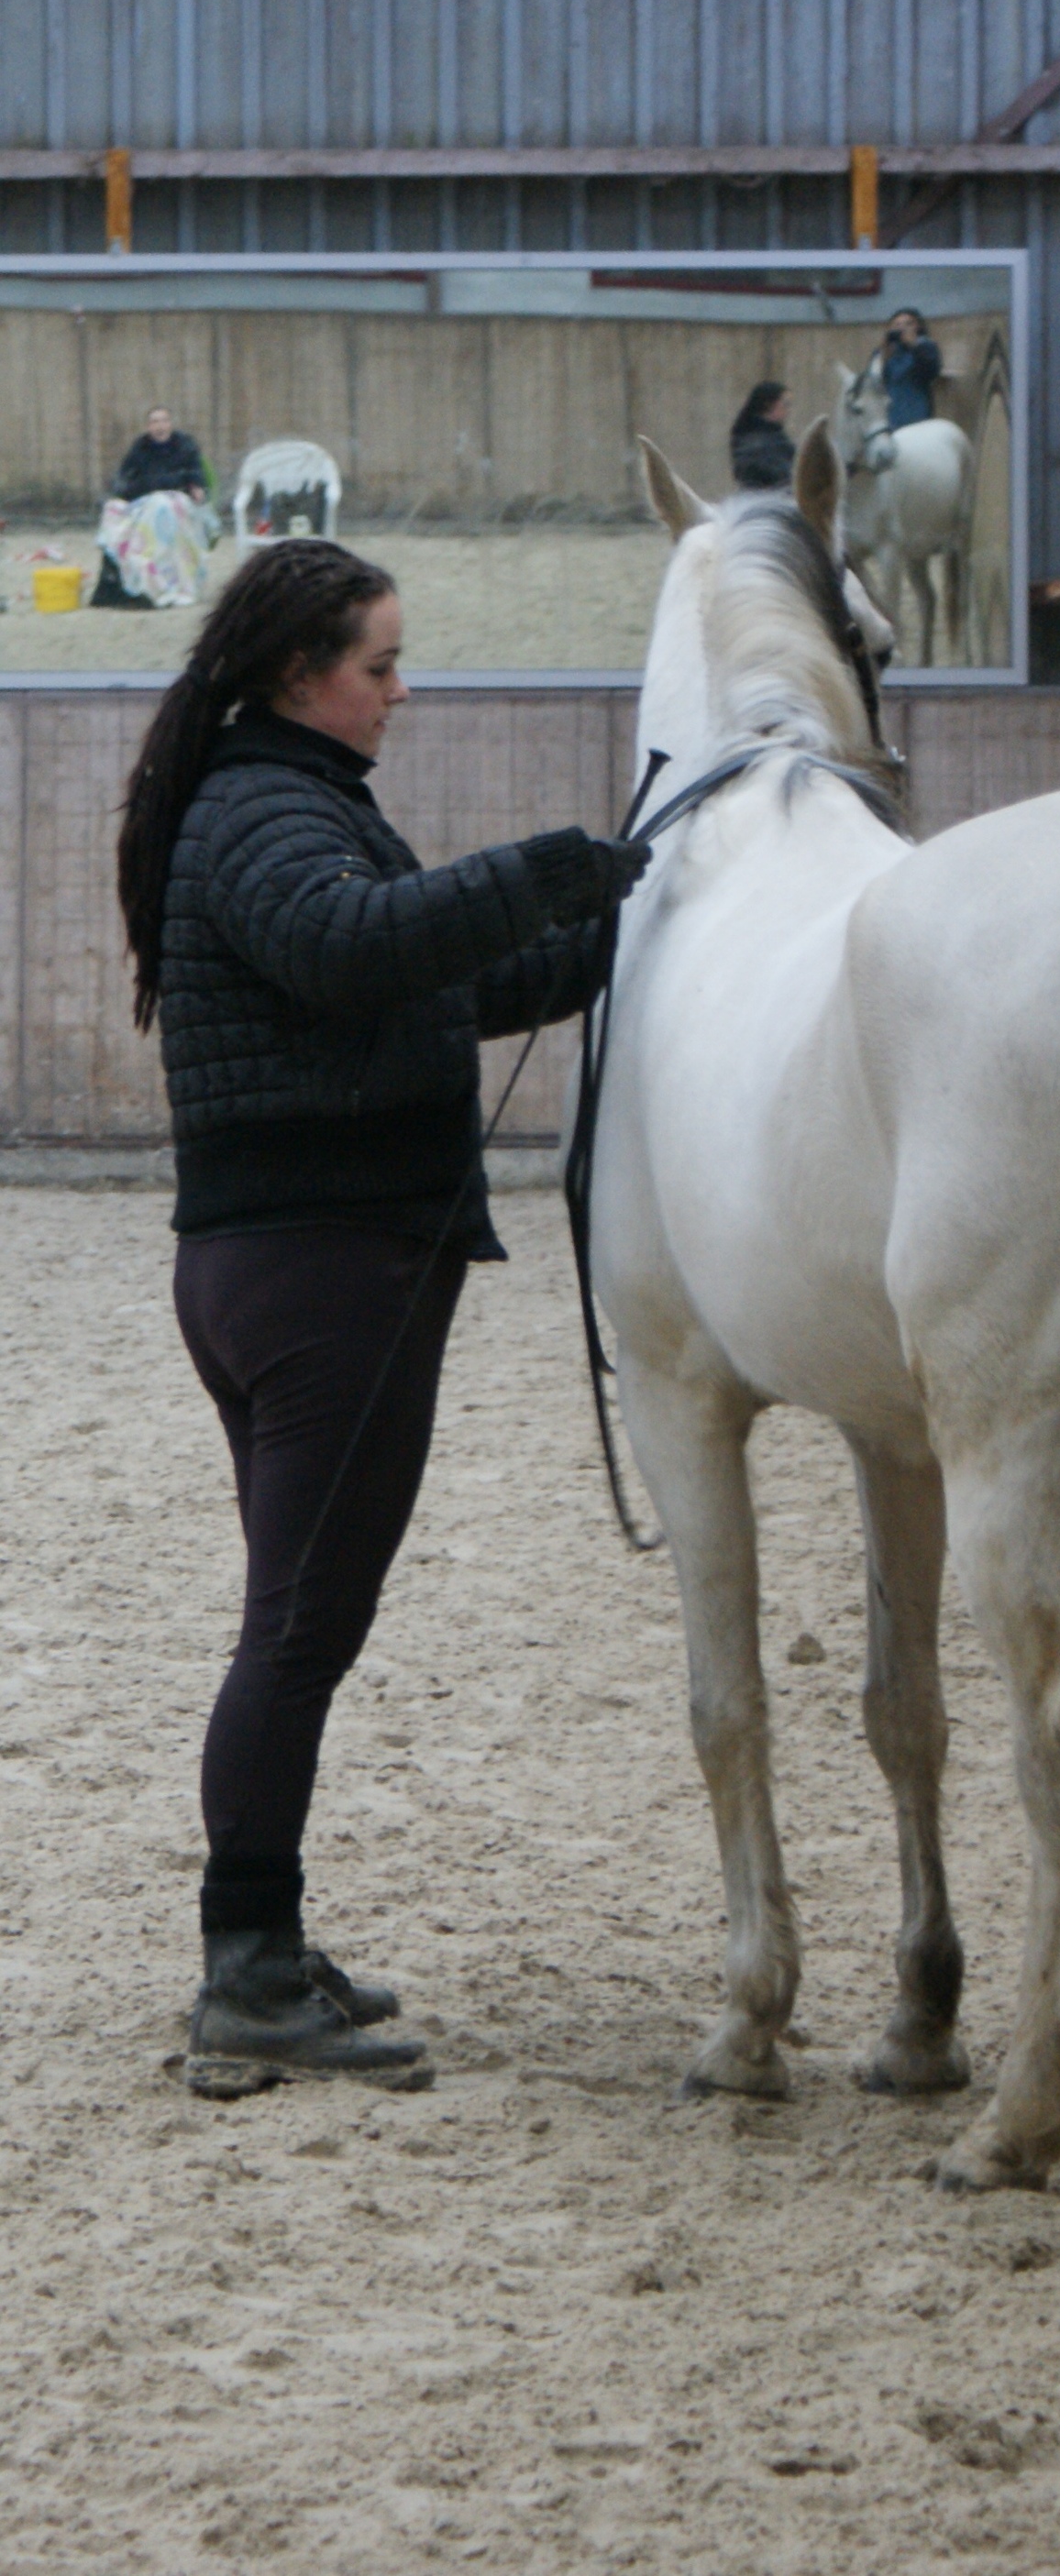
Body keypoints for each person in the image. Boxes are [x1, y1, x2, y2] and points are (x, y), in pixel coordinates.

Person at [115, 539, 651, 2076]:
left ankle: (266, 1940)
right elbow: (357, 953)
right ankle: (247, 1972)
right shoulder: (264, 806)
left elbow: (431, 982)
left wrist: (600, 938)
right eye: (380, 664)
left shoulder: (288, 796)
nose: (400, 690)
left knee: (294, 1621)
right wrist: (545, 869)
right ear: (301, 674)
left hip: (286, 1268)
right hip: (319, 1272)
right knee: (296, 1629)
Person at [94, 405, 217, 611]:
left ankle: (167, 582)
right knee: (113, 509)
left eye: (164, 420)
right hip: (145, 499)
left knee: (164, 506)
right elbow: (125, 480)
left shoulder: (185, 446)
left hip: (176, 500)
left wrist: (196, 487)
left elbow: (195, 475)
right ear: (148, 427)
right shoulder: (140, 448)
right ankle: (126, 580)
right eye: (155, 422)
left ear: (170, 424)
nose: (160, 426)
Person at [878, 310, 942, 430]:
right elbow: (875, 380)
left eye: (908, 324)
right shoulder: (886, 351)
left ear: (918, 327)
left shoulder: (926, 346)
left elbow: (931, 372)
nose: (902, 328)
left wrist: (914, 345)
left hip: (916, 412)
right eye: (897, 325)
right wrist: (884, 354)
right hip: (889, 414)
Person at [730, 380, 796, 490]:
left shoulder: (776, 436)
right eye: (785, 404)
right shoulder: (753, 440)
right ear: (769, 404)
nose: (787, 411)